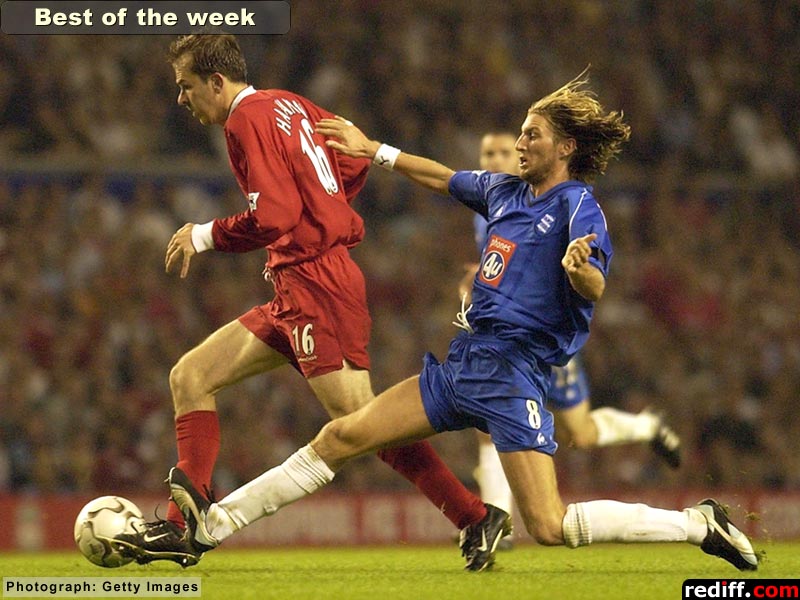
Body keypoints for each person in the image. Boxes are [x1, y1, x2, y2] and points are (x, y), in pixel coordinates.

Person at [166, 74, 758, 573]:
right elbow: (441, 177)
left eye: (532, 134)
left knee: (548, 526)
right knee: (341, 437)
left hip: (515, 375)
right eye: (521, 132)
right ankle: (209, 528)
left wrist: (580, 270)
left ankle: (696, 524)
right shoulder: (505, 192)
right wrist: (375, 149)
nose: (519, 143)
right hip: (464, 363)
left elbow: (595, 283)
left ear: (566, 147)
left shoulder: (577, 205)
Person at [114, 33, 503, 570]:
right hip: (296, 283)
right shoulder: (289, 104)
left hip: (317, 283)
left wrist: (204, 235)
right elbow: (352, 162)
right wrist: (325, 208)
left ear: (216, 82)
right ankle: (184, 524)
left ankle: (473, 515)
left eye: (186, 86)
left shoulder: (243, 121)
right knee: (191, 376)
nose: (181, 98)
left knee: (361, 424)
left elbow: (273, 216)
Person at [467, 133, 681, 527]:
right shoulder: (489, 209)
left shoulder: (558, 202)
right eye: (487, 153)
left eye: (503, 152)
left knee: (580, 434)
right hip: (509, 342)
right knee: (487, 416)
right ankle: (498, 521)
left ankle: (646, 425)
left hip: (544, 340)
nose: (495, 159)